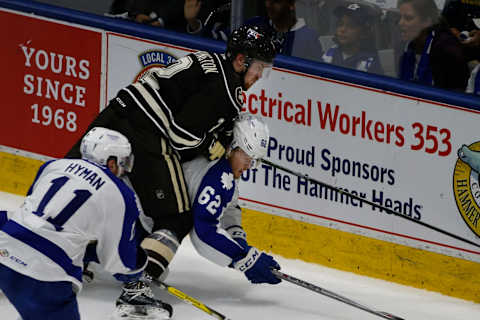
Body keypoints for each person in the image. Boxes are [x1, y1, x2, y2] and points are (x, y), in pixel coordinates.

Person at [66, 24, 276, 296]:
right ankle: (138, 288)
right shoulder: (226, 90)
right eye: (259, 67)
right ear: (240, 60)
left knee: (72, 179)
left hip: (117, 112)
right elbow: (180, 136)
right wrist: (213, 144)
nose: (260, 75)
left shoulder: (210, 61)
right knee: (176, 217)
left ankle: (26, 245)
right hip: (146, 132)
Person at [0, 127, 172, 320]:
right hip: (46, 273)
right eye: (123, 161)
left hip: (5, 247)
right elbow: (120, 261)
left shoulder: (53, 166)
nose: (124, 169)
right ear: (111, 161)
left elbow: (32, 215)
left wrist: (85, 250)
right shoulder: (121, 194)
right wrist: (137, 270)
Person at [183, 114, 281, 285]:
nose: (249, 167)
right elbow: (203, 233)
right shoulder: (219, 176)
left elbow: (228, 207)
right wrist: (242, 257)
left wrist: (239, 242)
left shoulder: (225, 166)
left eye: (254, 162)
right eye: (248, 158)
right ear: (233, 146)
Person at [396, 0, 470, 90]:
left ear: (427, 21)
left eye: (408, 18)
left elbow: (455, 97)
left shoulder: (447, 50)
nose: (400, 23)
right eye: (399, 17)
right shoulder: (402, 46)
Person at [245, 0, 324, 62]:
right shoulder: (254, 24)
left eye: (276, 1)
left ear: (292, 5)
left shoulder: (308, 37)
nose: (269, 5)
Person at [321, 2, 384, 75]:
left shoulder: (370, 62)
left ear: (364, 33)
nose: (342, 30)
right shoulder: (331, 52)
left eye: (351, 26)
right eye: (340, 24)